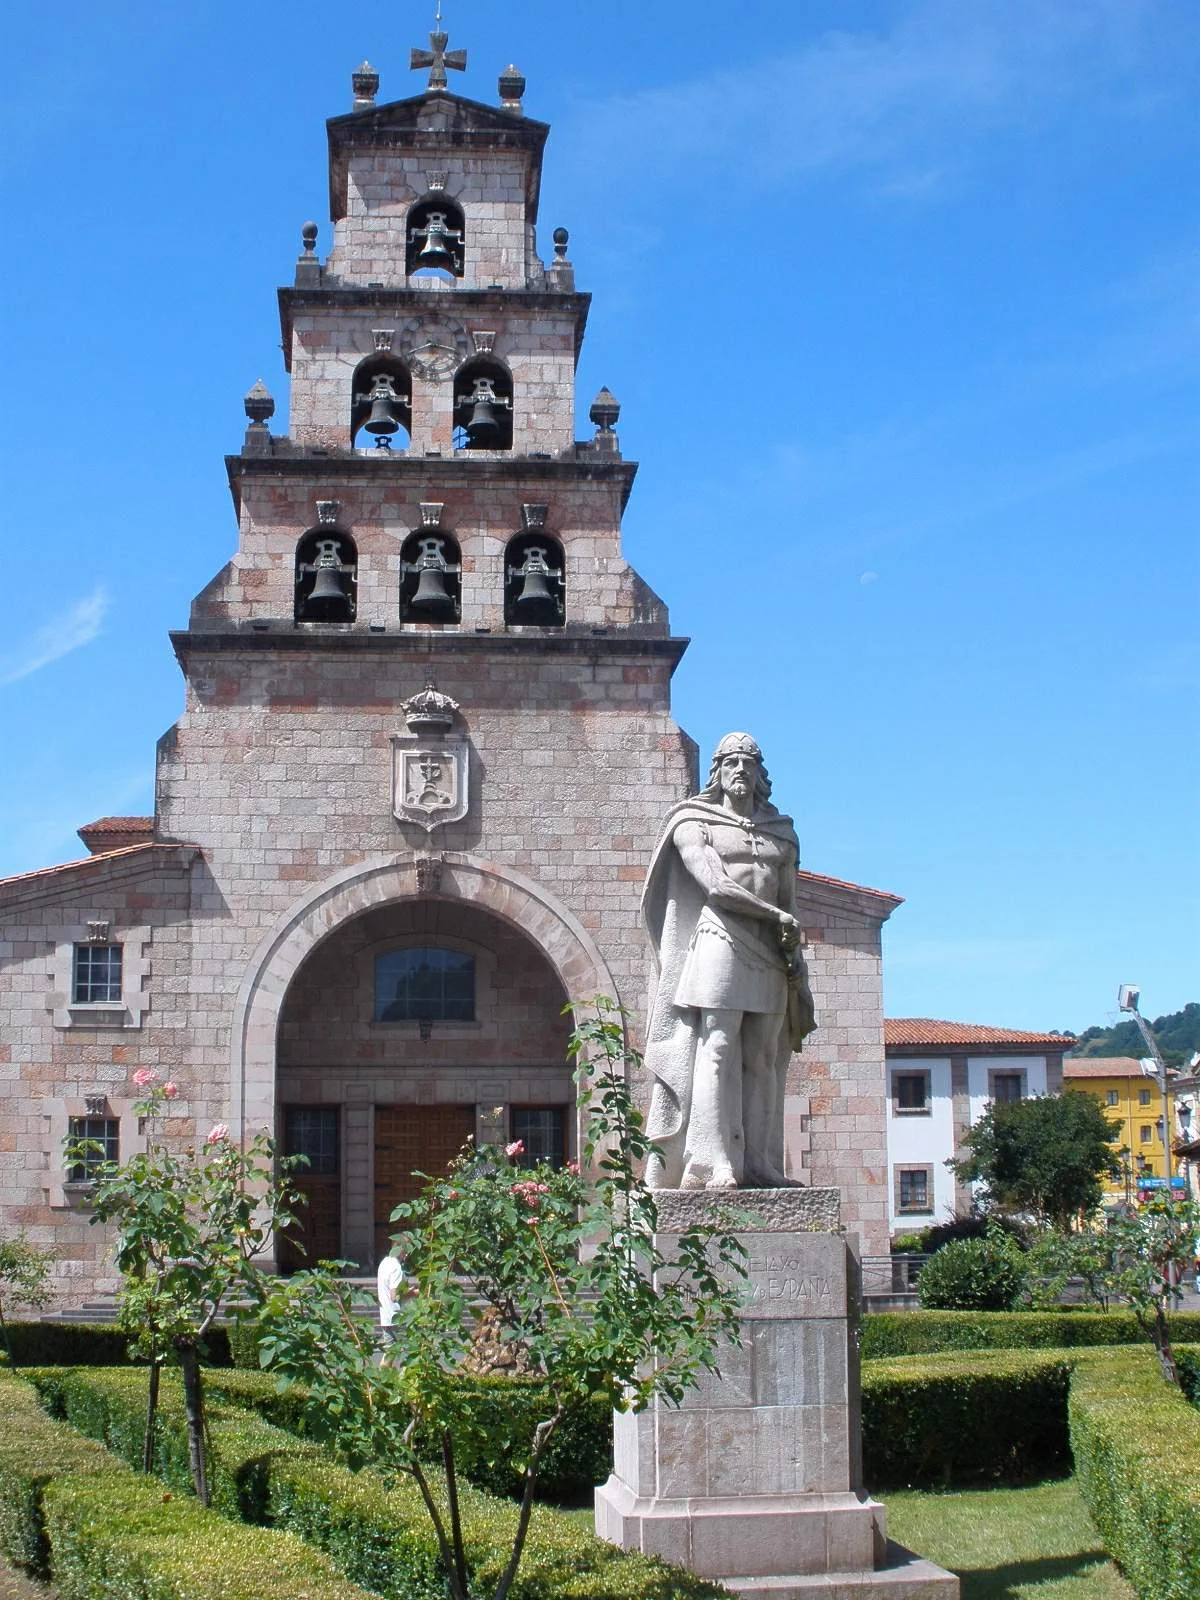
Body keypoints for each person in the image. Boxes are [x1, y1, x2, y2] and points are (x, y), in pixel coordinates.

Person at [641, 733, 816, 1190]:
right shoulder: (692, 822)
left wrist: (794, 951)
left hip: (770, 950)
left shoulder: (783, 833)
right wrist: (775, 915)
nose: (740, 769)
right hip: (720, 938)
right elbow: (715, 885)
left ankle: (759, 1162)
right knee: (717, 1046)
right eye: (731, 762)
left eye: (749, 762)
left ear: (761, 775)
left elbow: (791, 902)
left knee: (763, 1055)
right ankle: (712, 1160)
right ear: (717, 772)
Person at [376, 1247, 405, 1352]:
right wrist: (414, 1293)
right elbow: (394, 1296)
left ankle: (381, 1369)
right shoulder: (396, 1267)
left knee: (389, 1353)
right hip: (396, 1318)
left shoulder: (385, 1262)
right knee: (408, 1352)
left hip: (385, 1316)